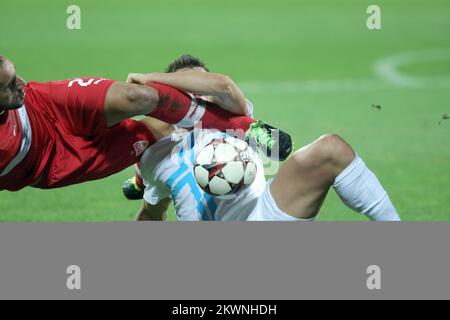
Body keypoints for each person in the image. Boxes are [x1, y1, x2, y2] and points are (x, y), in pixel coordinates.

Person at [0, 54, 290, 191]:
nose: (22, 82)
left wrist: (150, 79)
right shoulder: (158, 147)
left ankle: (251, 129)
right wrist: (140, 184)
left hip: (47, 105)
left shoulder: (228, 110)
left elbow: (222, 86)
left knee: (137, 96)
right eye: (10, 83)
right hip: (47, 163)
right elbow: (153, 192)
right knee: (155, 133)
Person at [132, 119, 400, 222]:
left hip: (262, 214)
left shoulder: (233, 119)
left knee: (329, 148)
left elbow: (224, 87)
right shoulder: (157, 155)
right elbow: (152, 212)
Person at [122, 54, 292, 199]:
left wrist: (150, 78)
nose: (196, 89)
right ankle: (139, 182)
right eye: (186, 84)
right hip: (162, 164)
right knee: (147, 152)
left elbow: (224, 86)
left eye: (201, 82)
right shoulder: (163, 137)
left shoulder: (235, 114)